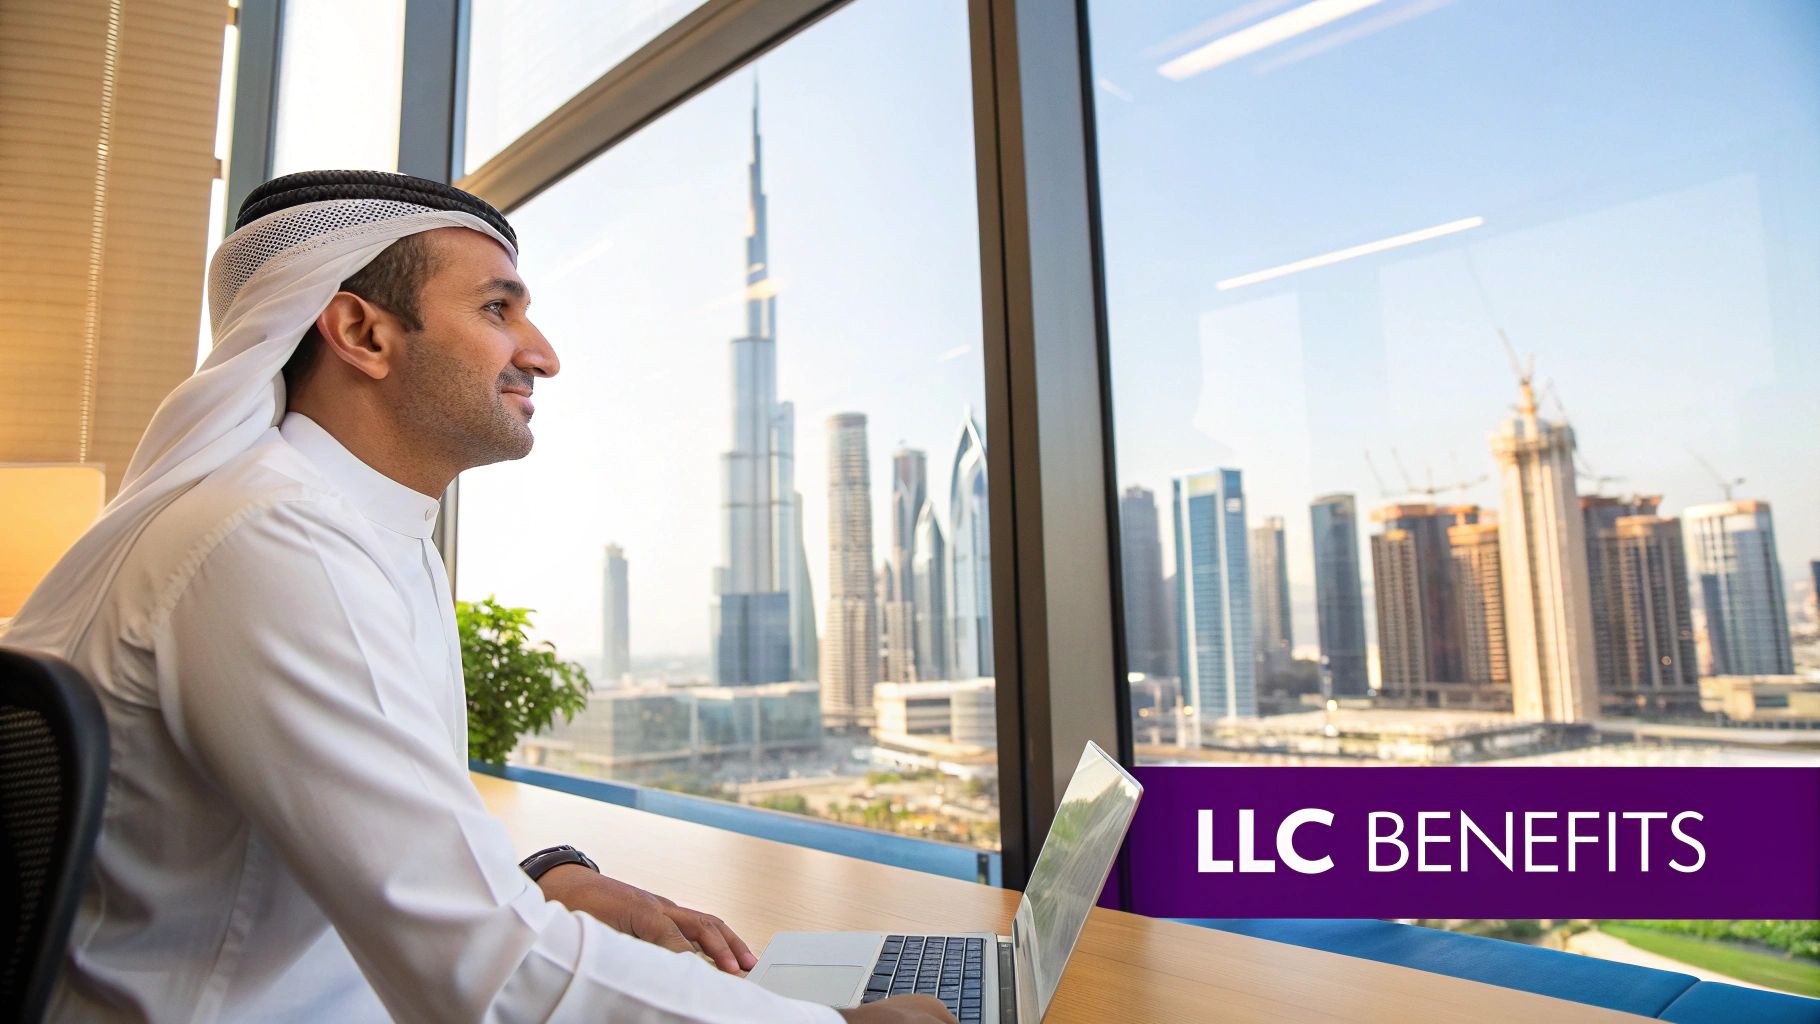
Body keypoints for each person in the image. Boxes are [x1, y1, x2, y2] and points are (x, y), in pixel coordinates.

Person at [2, 171, 955, 1024]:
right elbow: (484, 973)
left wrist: (543, 882)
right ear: (362, 333)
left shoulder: (360, 531)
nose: (540, 354)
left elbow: (384, 849)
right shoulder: (270, 538)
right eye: (499, 308)